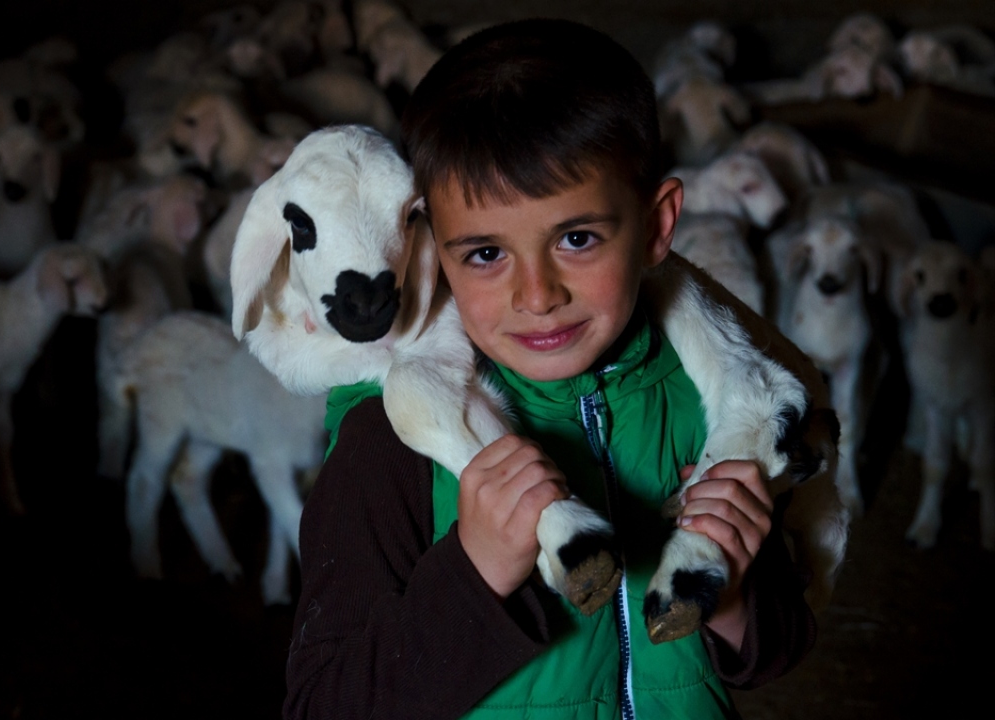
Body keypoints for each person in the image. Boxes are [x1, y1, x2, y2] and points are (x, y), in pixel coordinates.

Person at [283, 18, 816, 720]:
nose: (538, 296)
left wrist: (737, 592)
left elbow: (775, 652)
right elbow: (323, 705)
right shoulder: (390, 446)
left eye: (577, 238)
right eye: (484, 254)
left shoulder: (711, 406)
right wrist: (473, 574)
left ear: (658, 226)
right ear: (429, 250)